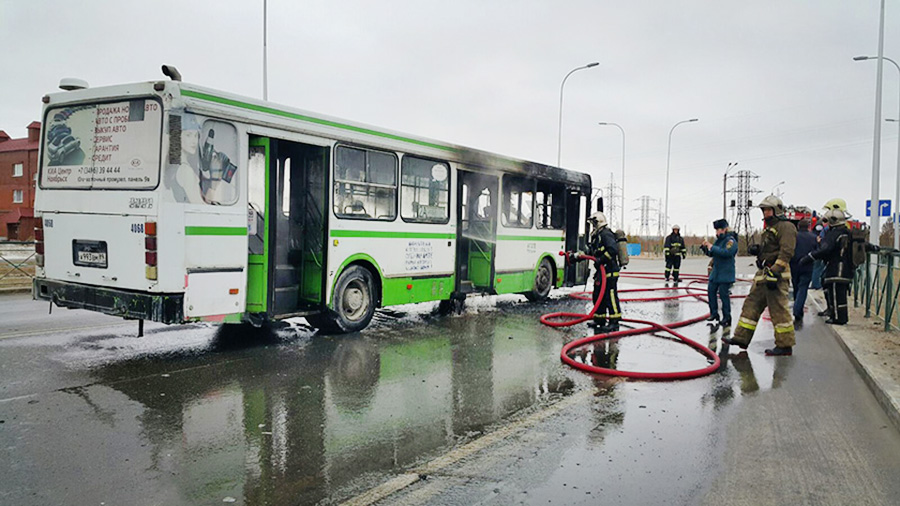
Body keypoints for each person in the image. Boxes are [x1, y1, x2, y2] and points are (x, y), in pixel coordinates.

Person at [723, 195, 797, 356]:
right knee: (752, 303)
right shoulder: (769, 227)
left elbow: (786, 252)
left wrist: (775, 271)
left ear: (777, 210)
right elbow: (771, 248)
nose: (765, 213)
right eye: (764, 210)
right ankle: (741, 338)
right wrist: (759, 251)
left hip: (777, 274)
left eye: (768, 210)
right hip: (764, 272)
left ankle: (785, 345)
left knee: (778, 310)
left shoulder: (786, 227)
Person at [799, 209, 852, 325]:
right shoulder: (848, 233)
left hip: (835, 269)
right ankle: (834, 313)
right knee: (832, 289)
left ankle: (838, 317)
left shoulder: (833, 234)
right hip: (846, 268)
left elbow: (825, 249)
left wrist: (808, 257)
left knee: (835, 293)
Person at [587, 211, 622, 332]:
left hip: (610, 270)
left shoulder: (606, 234)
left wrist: (600, 260)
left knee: (610, 295)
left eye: (594, 223)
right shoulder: (597, 236)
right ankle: (599, 319)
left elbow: (612, 250)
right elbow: (593, 252)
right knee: (598, 294)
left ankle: (614, 321)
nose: (593, 226)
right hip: (601, 271)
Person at [700, 219, 738, 328]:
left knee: (723, 295)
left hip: (725, 272)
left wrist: (712, 247)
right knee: (711, 291)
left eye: (719, 230)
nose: (717, 233)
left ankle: (727, 317)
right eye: (716, 230)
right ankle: (714, 313)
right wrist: (706, 249)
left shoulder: (730, 241)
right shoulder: (719, 241)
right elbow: (713, 253)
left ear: (725, 229)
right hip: (716, 272)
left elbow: (726, 252)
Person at [790, 218, 817, 328]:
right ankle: (797, 310)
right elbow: (817, 251)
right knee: (803, 288)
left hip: (794, 265)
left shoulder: (793, 237)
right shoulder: (814, 237)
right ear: (808, 227)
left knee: (796, 287)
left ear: (798, 227)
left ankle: (798, 309)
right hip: (808, 265)